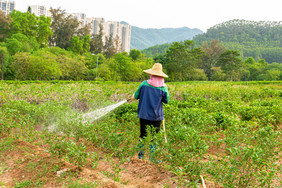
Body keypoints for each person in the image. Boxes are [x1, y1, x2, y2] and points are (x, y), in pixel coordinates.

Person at [134, 63, 169, 160]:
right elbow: (166, 100)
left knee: (142, 135)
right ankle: (152, 158)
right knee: (154, 137)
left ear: (151, 74)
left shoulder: (144, 84)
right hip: (156, 116)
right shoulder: (163, 87)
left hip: (143, 114)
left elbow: (136, 95)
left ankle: (140, 157)